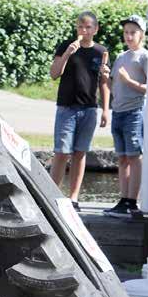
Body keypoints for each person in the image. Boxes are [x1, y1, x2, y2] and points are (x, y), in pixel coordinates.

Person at [49, 11, 110, 212]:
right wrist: (67, 53)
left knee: (80, 153)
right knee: (61, 152)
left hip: (89, 109)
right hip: (67, 107)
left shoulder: (101, 52)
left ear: (95, 29)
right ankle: (51, 195)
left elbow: (104, 83)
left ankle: (73, 198)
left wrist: (105, 110)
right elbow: (54, 74)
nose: (83, 31)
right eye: (80, 27)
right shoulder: (67, 45)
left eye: (88, 27)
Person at [102, 15, 148, 218]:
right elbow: (114, 86)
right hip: (118, 112)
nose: (129, 36)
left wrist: (129, 81)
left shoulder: (145, 57)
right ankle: (123, 199)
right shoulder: (121, 56)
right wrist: (105, 78)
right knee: (122, 158)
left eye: (133, 32)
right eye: (126, 32)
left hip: (134, 112)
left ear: (142, 34)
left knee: (134, 156)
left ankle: (132, 201)